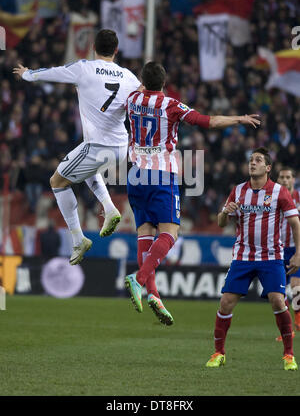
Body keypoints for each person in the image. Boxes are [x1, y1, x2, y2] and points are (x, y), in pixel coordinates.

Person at [124, 61, 261, 325]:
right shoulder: (171, 105)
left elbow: (142, 90)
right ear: (164, 83)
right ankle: (139, 279)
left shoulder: (132, 99)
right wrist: (238, 119)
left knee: (145, 233)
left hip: (134, 175)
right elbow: (207, 121)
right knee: (170, 233)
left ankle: (153, 294)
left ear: (143, 81)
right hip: (160, 175)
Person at [13, 29, 142, 265]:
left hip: (97, 145)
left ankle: (78, 239)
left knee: (57, 182)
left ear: (93, 47)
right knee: (86, 170)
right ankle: (110, 207)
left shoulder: (85, 68)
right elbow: (145, 97)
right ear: (116, 50)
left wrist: (28, 74)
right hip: (121, 147)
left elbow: (55, 73)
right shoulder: (130, 78)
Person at [206, 147, 300, 371]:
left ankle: (289, 355)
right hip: (242, 257)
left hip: (271, 257)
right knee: (225, 303)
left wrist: (298, 253)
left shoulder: (279, 192)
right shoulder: (238, 191)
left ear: (268, 168)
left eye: (258, 160)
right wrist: (224, 213)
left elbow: (296, 223)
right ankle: (219, 352)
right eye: (251, 160)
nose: (252, 163)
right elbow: (221, 223)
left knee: (278, 300)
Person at [275, 167, 300, 341]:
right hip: (278, 249)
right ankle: (288, 329)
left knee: (296, 287)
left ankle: (298, 319)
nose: (284, 180)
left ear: (293, 180)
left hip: (295, 248)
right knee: (278, 292)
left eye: (288, 177)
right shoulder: (274, 197)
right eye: (282, 177)